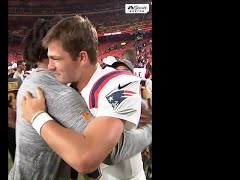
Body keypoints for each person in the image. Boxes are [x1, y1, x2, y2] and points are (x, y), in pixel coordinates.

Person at [8, 17, 152, 180]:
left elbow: (105, 152)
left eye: (56, 58)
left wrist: (37, 117)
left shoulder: (119, 83)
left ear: (82, 57)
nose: (50, 67)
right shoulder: (64, 88)